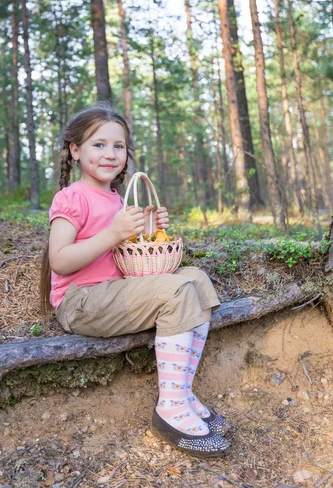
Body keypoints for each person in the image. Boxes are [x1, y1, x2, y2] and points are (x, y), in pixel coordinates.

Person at [39, 102, 231, 457]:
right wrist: (114, 233)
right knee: (176, 291)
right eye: (98, 144)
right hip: (81, 302)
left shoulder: (117, 199)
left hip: (115, 293)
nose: (110, 154)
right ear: (75, 150)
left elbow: (127, 255)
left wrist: (150, 229)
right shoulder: (71, 198)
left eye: (119, 146)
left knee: (196, 279)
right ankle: (168, 409)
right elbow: (60, 261)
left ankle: (183, 391)